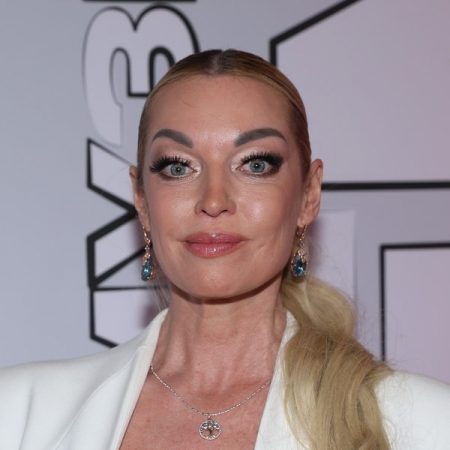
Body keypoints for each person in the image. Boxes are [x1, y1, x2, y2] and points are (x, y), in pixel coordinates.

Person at [0, 49, 449, 450]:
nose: (214, 201)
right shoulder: (18, 413)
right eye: (178, 167)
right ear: (141, 200)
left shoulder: (422, 423)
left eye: (255, 164)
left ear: (308, 195)